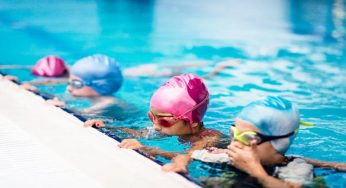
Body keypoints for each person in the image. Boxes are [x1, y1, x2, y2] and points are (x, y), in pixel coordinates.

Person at [194, 96, 346, 187]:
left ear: (279, 143)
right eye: (234, 133)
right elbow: (191, 156)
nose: (234, 143)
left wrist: (256, 171)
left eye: (247, 138)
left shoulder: (295, 168)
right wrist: (181, 161)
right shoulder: (230, 156)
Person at [85, 74, 223, 173]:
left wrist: (148, 149)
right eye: (152, 117)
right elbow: (140, 133)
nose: (156, 126)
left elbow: (187, 156)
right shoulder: (170, 129)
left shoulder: (209, 138)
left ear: (193, 122)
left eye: (164, 121)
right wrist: (105, 127)